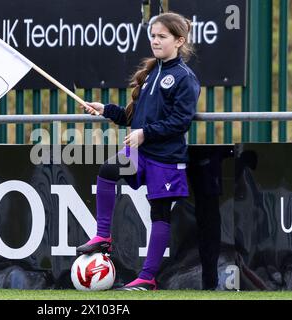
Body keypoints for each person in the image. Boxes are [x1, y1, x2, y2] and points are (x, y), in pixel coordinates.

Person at [77, 12, 200, 291]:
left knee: (159, 214)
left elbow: (181, 121)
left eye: (162, 37)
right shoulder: (152, 72)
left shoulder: (184, 77)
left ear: (179, 41)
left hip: (166, 159)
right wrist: (106, 109)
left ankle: (147, 278)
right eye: (153, 36)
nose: (155, 41)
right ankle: (103, 237)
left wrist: (146, 134)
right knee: (107, 170)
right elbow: (134, 116)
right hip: (141, 154)